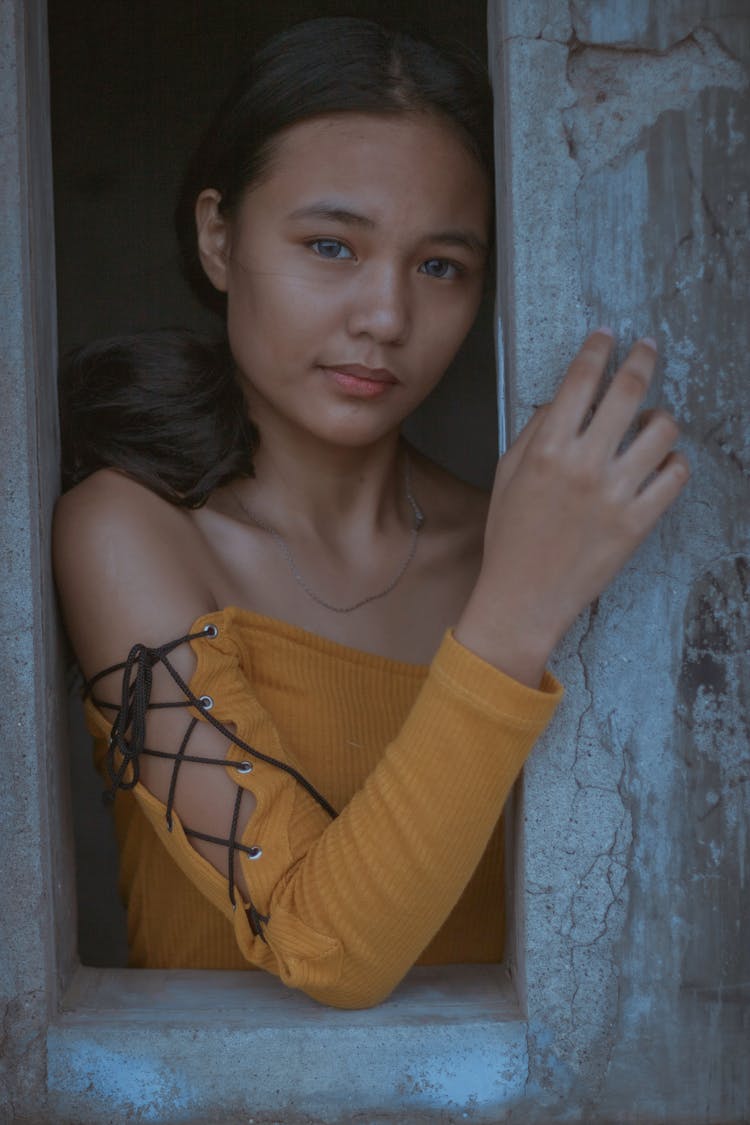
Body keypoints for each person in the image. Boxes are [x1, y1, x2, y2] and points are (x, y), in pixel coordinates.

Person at [53, 17, 689, 1010]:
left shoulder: (527, 540)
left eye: (440, 266)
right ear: (218, 237)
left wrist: (517, 576)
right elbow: (329, 948)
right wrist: (513, 612)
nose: (386, 316)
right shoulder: (133, 533)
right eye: (331, 246)